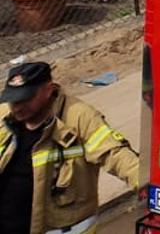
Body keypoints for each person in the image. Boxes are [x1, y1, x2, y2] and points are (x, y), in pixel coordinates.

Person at [0, 62, 142, 234]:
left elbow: (116, 154)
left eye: (26, 98)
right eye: (13, 99)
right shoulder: (4, 117)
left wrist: (151, 186)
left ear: (48, 89)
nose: (17, 106)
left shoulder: (79, 118)